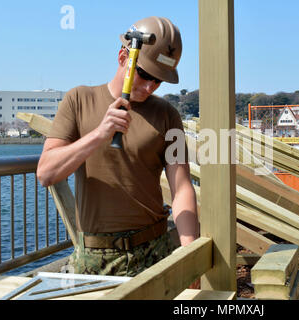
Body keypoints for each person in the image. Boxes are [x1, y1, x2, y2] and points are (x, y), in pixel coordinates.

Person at [37, 17, 199, 278]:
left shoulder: (168, 115)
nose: (149, 87)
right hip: (95, 259)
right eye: (144, 75)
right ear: (123, 56)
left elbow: (181, 187)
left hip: (155, 251)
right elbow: (46, 173)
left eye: (158, 81)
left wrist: (189, 252)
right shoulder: (78, 100)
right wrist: (100, 134)